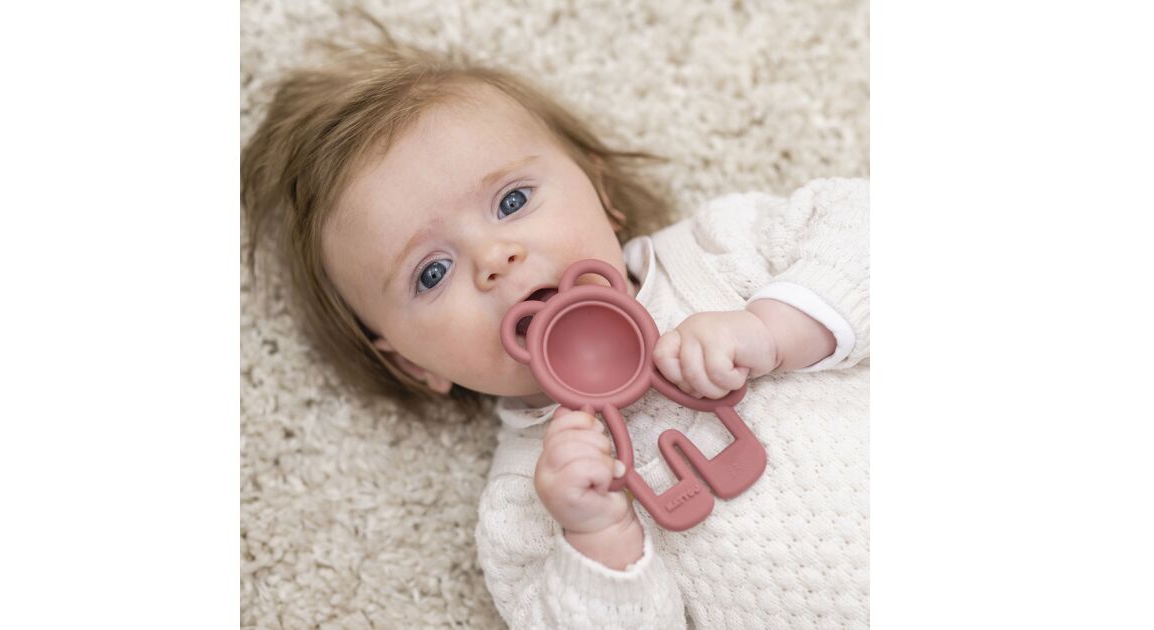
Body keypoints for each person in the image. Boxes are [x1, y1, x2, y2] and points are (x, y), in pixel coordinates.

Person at [242, 39, 868, 629]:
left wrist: (778, 326)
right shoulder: (530, 501)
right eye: (432, 272)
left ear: (601, 192)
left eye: (512, 202)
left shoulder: (718, 251)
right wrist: (598, 541)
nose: (494, 258)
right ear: (411, 363)